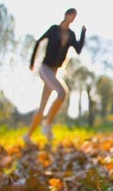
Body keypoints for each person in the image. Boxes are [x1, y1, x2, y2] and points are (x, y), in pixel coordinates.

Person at [23, 8, 86, 144]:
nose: (72, 18)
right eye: (71, 15)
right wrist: (32, 62)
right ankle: (47, 124)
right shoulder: (54, 29)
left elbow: (78, 49)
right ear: (66, 15)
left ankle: (28, 136)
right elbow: (38, 42)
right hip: (45, 69)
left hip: (55, 71)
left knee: (42, 107)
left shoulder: (71, 34)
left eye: (74, 17)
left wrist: (83, 33)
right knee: (62, 93)